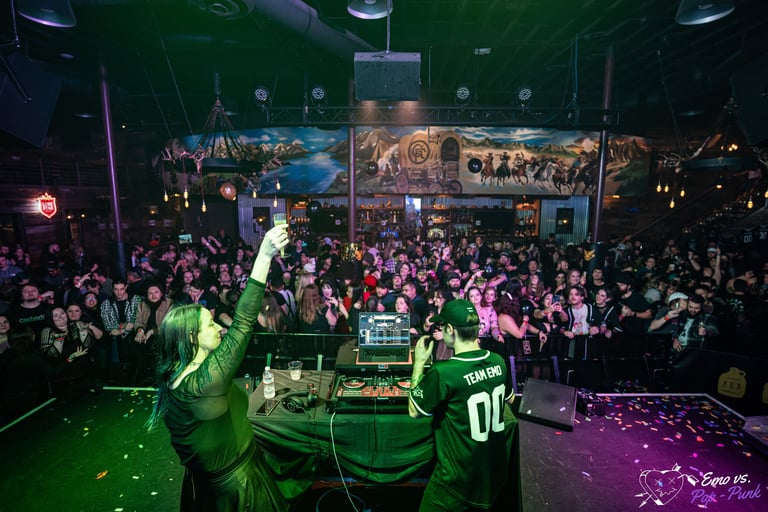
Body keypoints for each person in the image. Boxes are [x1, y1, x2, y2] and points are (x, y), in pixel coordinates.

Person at [145, 224, 292, 512]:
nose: (218, 327)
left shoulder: (176, 371)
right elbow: (243, 323)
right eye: (210, 324)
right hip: (238, 486)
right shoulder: (204, 381)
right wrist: (264, 256)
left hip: (208, 484)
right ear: (192, 337)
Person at [409, 299, 519, 512]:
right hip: (492, 477)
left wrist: (419, 363)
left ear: (450, 330)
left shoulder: (444, 372)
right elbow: (511, 399)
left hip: (457, 482)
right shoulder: (498, 361)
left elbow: (414, 411)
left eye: (442, 326)